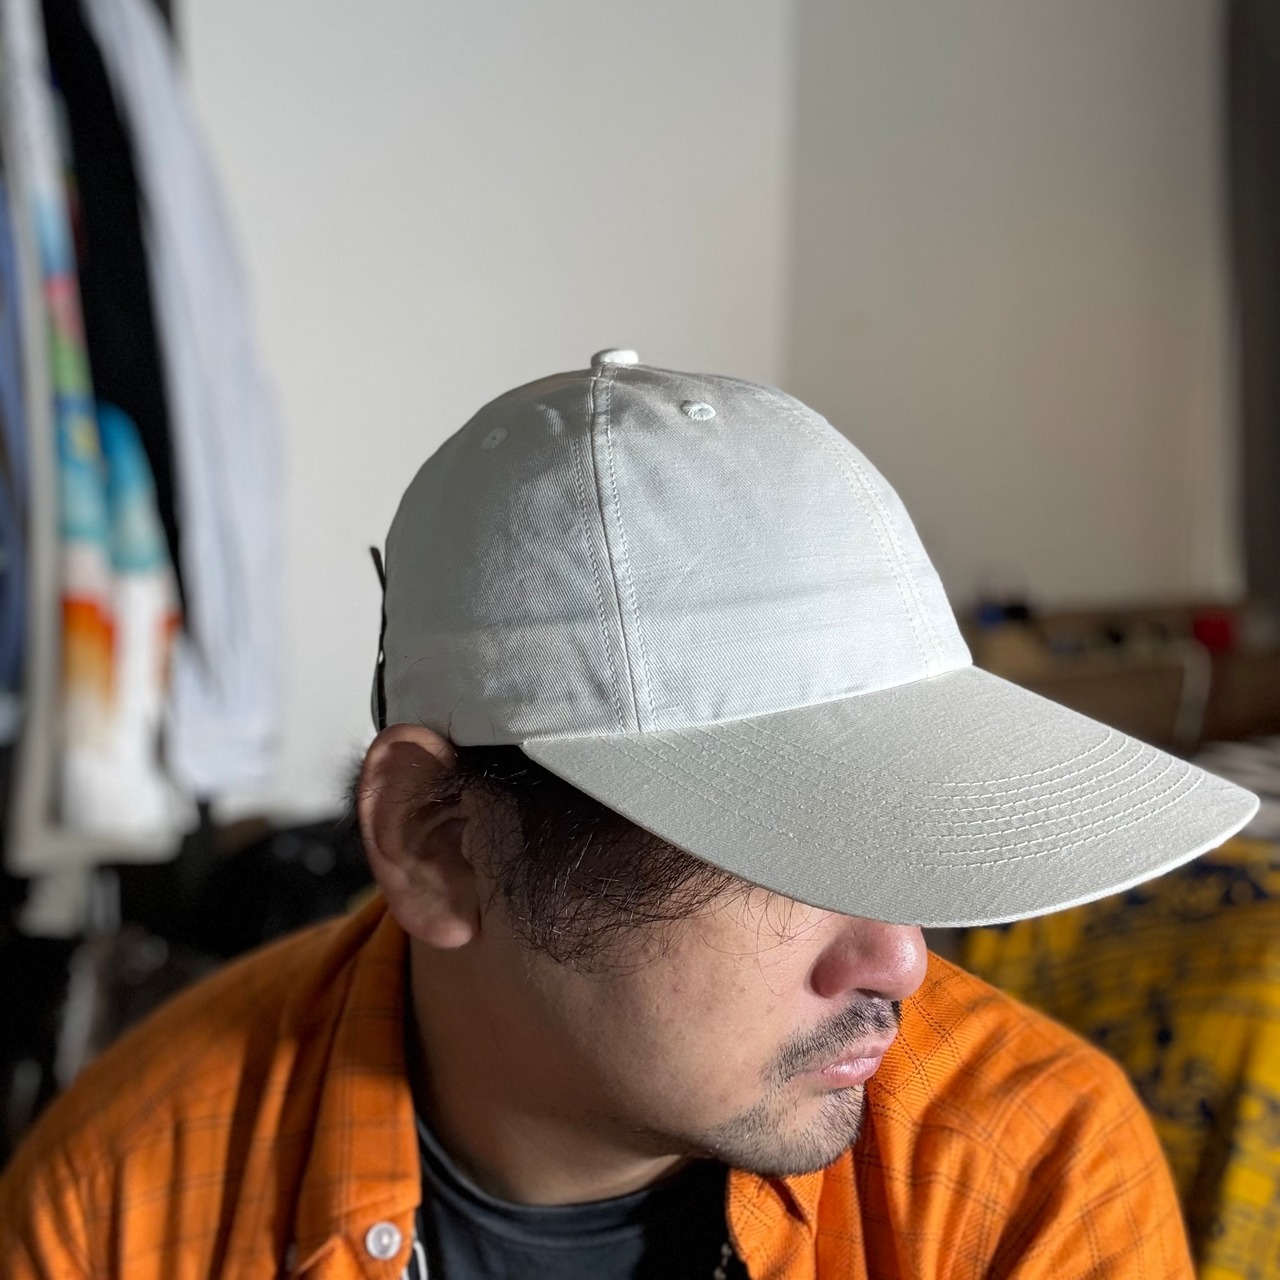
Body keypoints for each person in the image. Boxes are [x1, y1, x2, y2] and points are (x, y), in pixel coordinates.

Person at [0, 350, 1258, 1278]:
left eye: (893, 834)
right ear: (437, 842)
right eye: (776, 848)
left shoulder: (1027, 1176)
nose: (900, 958)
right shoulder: (121, 1207)